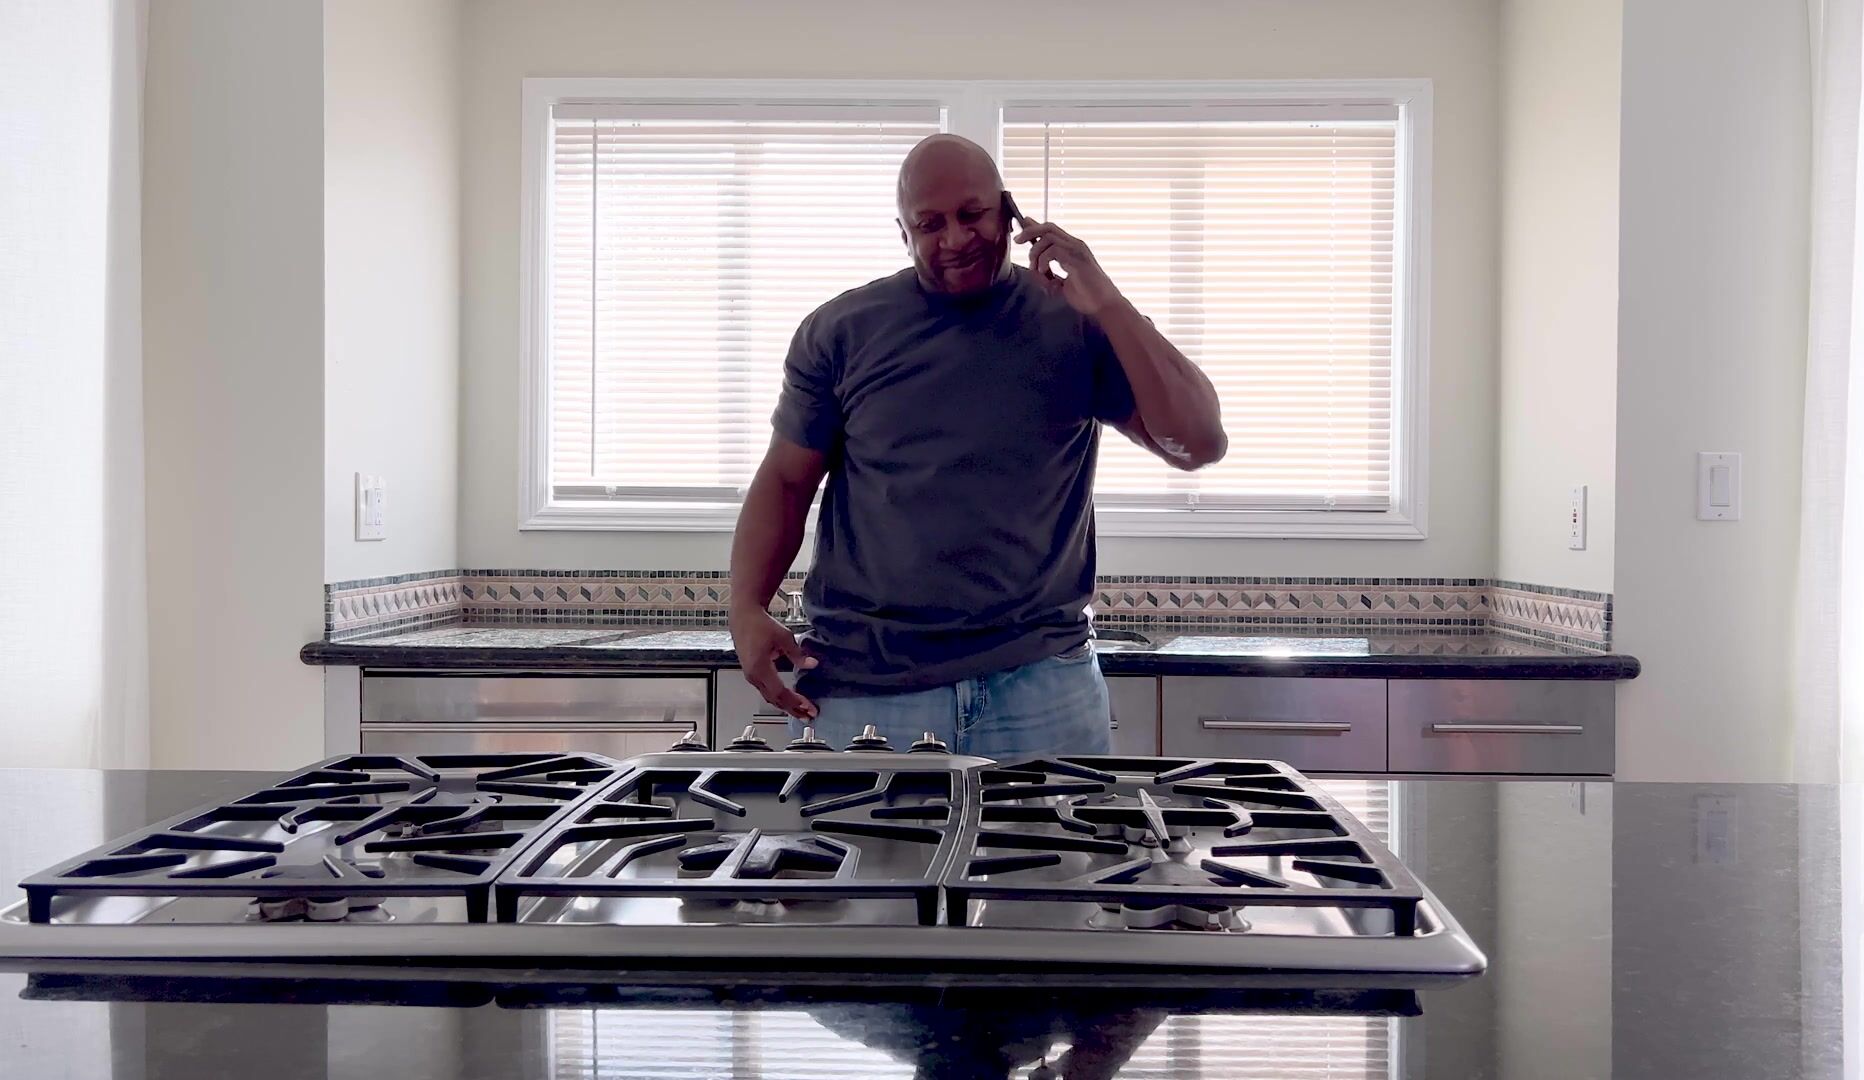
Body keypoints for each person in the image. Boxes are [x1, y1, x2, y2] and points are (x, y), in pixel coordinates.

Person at [727, 133, 1226, 758]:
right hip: (869, 689)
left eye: (973, 214)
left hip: (1043, 685)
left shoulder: (1077, 323)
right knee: (855, 831)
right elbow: (786, 480)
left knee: (1068, 832)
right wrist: (745, 606)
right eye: (930, 224)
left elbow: (1198, 444)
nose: (956, 238)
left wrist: (1109, 302)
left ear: (1010, 213)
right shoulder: (841, 332)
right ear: (904, 233)